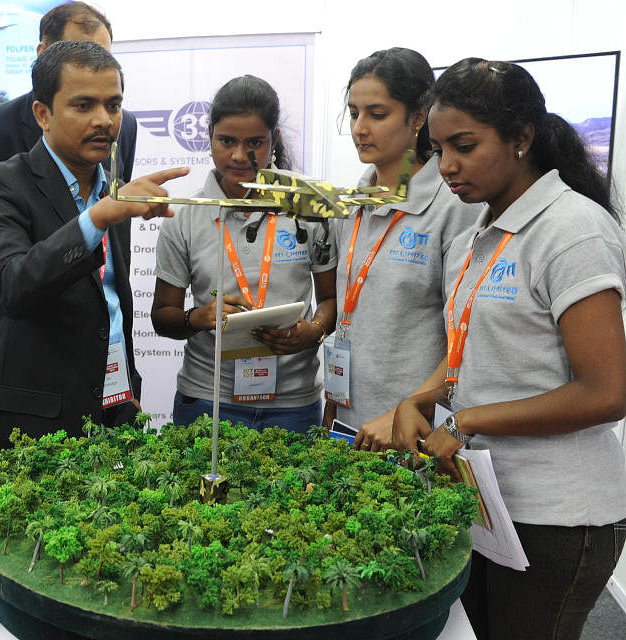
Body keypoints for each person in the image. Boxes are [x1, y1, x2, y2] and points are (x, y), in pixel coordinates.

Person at [391, 57, 626, 640]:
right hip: (490, 501)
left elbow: (608, 391)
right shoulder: (482, 231)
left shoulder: (572, 230)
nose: (446, 166)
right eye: (439, 148)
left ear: (522, 138)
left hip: (557, 516)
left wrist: (466, 420)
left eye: (464, 147)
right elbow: (475, 348)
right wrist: (419, 400)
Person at [0, 41, 186, 472]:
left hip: (114, 414)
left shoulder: (113, 193)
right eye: (84, 105)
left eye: (113, 104)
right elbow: (12, 287)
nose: (104, 120)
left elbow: (111, 306)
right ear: (42, 114)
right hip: (30, 430)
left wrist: (125, 389)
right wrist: (96, 219)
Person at [0, 1, 138, 360]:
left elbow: (115, 265)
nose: (103, 120)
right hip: (25, 344)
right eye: (83, 105)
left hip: (106, 359)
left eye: (103, 54)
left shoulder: (124, 126)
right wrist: (18, 281)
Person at [151, 75, 336, 433]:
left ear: (273, 141)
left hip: (293, 405)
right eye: (226, 141)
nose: (238, 155)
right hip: (208, 400)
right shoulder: (186, 216)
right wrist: (198, 318)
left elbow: (330, 298)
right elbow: (163, 316)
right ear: (209, 137)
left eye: (254, 142)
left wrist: (312, 331)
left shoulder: (307, 207)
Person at [329, 48, 481, 450]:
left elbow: (467, 333)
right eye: (354, 112)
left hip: (414, 430)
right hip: (347, 423)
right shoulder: (353, 203)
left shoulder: (454, 206)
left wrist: (408, 409)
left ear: (417, 118)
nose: (360, 128)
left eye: (377, 114)